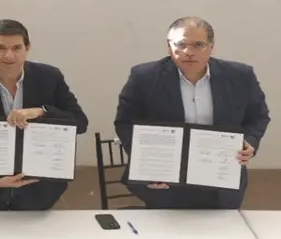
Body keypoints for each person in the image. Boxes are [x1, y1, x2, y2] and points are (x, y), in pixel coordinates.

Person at [115, 16, 271, 209]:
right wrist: (146, 161)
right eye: (181, 44)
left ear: (211, 47)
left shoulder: (240, 76)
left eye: (198, 45)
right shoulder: (144, 77)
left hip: (220, 179)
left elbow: (258, 116)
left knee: (222, 226)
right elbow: (125, 123)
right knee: (166, 226)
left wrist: (250, 141)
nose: (189, 52)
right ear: (169, 46)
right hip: (165, 181)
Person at [0, 19, 88, 211]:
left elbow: (79, 122)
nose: (9, 56)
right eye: (1, 48)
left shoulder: (50, 78)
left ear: (27, 48)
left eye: (17, 48)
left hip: (38, 189)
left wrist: (41, 111)